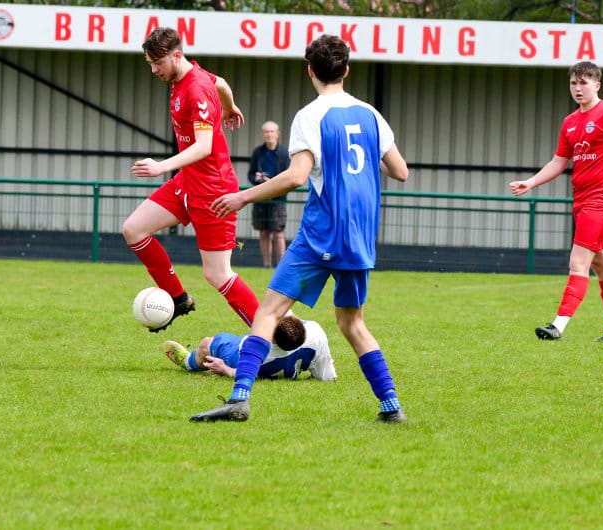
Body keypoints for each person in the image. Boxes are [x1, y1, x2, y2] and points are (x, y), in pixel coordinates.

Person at [192, 35, 410, 423]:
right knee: (352, 323)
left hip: (321, 232)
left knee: (268, 312)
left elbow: (296, 176)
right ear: (346, 70)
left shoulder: (310, 116)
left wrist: (243, 197)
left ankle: (239, 398)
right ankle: (391, 406)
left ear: (310, 71)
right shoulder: (371, 115)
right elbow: (400, 170)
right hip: (359, 237)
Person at [123, 27, 260, 333]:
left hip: (213, 191)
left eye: (158, 63)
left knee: (218, 274)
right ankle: (178, 299)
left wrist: (161, 167)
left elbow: (204, 146)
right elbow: (220, 82)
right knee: (134, 229)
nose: (154, 70)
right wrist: (229, 106)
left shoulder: (195, 88)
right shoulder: (189, 77)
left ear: (177, 55)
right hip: (187, 182)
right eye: (150, 64)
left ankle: (267, 334)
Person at [509, 61, 603, 342]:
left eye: (583, 83)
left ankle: (558, 326)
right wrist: (531, 182)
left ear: (597, 85)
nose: (577, 88)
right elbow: (559, 161)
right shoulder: (570, 122)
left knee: (577, 262)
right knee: (602, 265)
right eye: (573, 83)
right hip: (581, 201)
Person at [163, 315, 337, 381]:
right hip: (283, 364)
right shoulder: (316, 333)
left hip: (237, 353)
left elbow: (245, 371)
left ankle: (187, 362)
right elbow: (327, 377)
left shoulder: (257, 353)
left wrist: (225, 369)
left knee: (207, 344)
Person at [247, 121, 291, 268]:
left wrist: (272, 181)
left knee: (278, 233)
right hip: (261, 197)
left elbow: (288, 176)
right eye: (266, 132)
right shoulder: (257, 152)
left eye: (271, 131)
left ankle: (281, 266)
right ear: (263, 134)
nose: (269, 134)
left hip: (278, 199)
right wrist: (256, 178)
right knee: (264, 232)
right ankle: (266, 265)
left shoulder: (285, 153)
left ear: (277, 134)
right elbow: (250, 174)